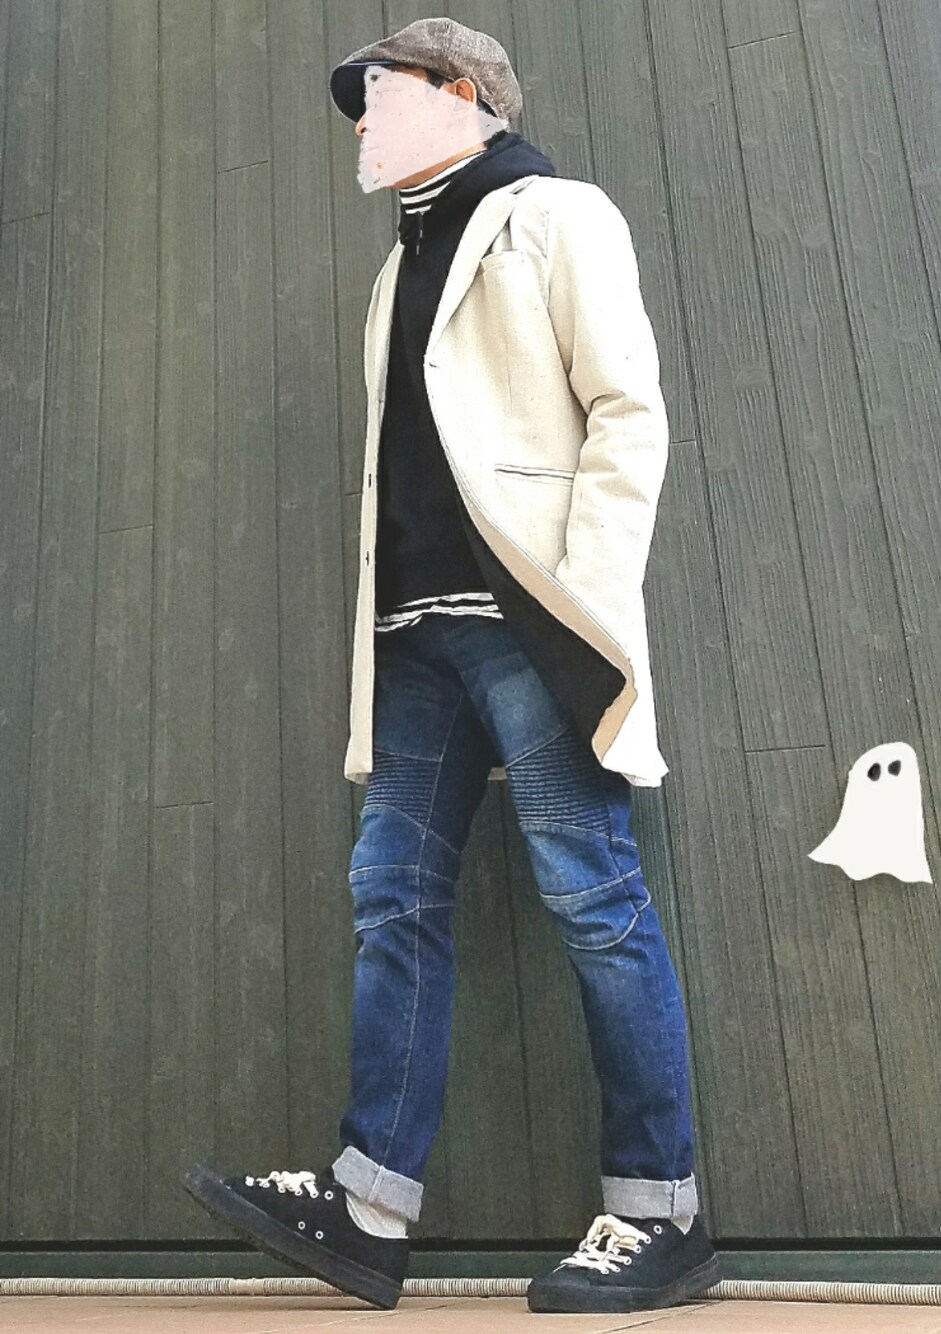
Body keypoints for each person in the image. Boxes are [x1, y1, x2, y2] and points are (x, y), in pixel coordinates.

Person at [183, 16, 721, 1316]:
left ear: (463, 93)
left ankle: (663, 1212)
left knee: (592, 896)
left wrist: (587, 599)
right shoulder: (397, 267)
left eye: (381, 95)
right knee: (392, 898)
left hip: (527, 620)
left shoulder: (558, 214)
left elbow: (627, 409)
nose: (364, 121)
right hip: (415, 639)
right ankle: (369, 1209)